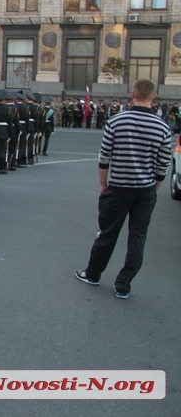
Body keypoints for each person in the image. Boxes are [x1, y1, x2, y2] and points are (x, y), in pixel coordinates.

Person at [75, 79, 173, 299]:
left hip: (118, 186)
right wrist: (154, 189)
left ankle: (93, 274)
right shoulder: (163, 127)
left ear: (132, 94)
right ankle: (123, 285)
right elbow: (162, 165)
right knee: (137, 237)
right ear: (154, 96)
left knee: (107, 233)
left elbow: (104, 157)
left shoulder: (116, 121)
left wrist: (103, 183)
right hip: (145, 189)